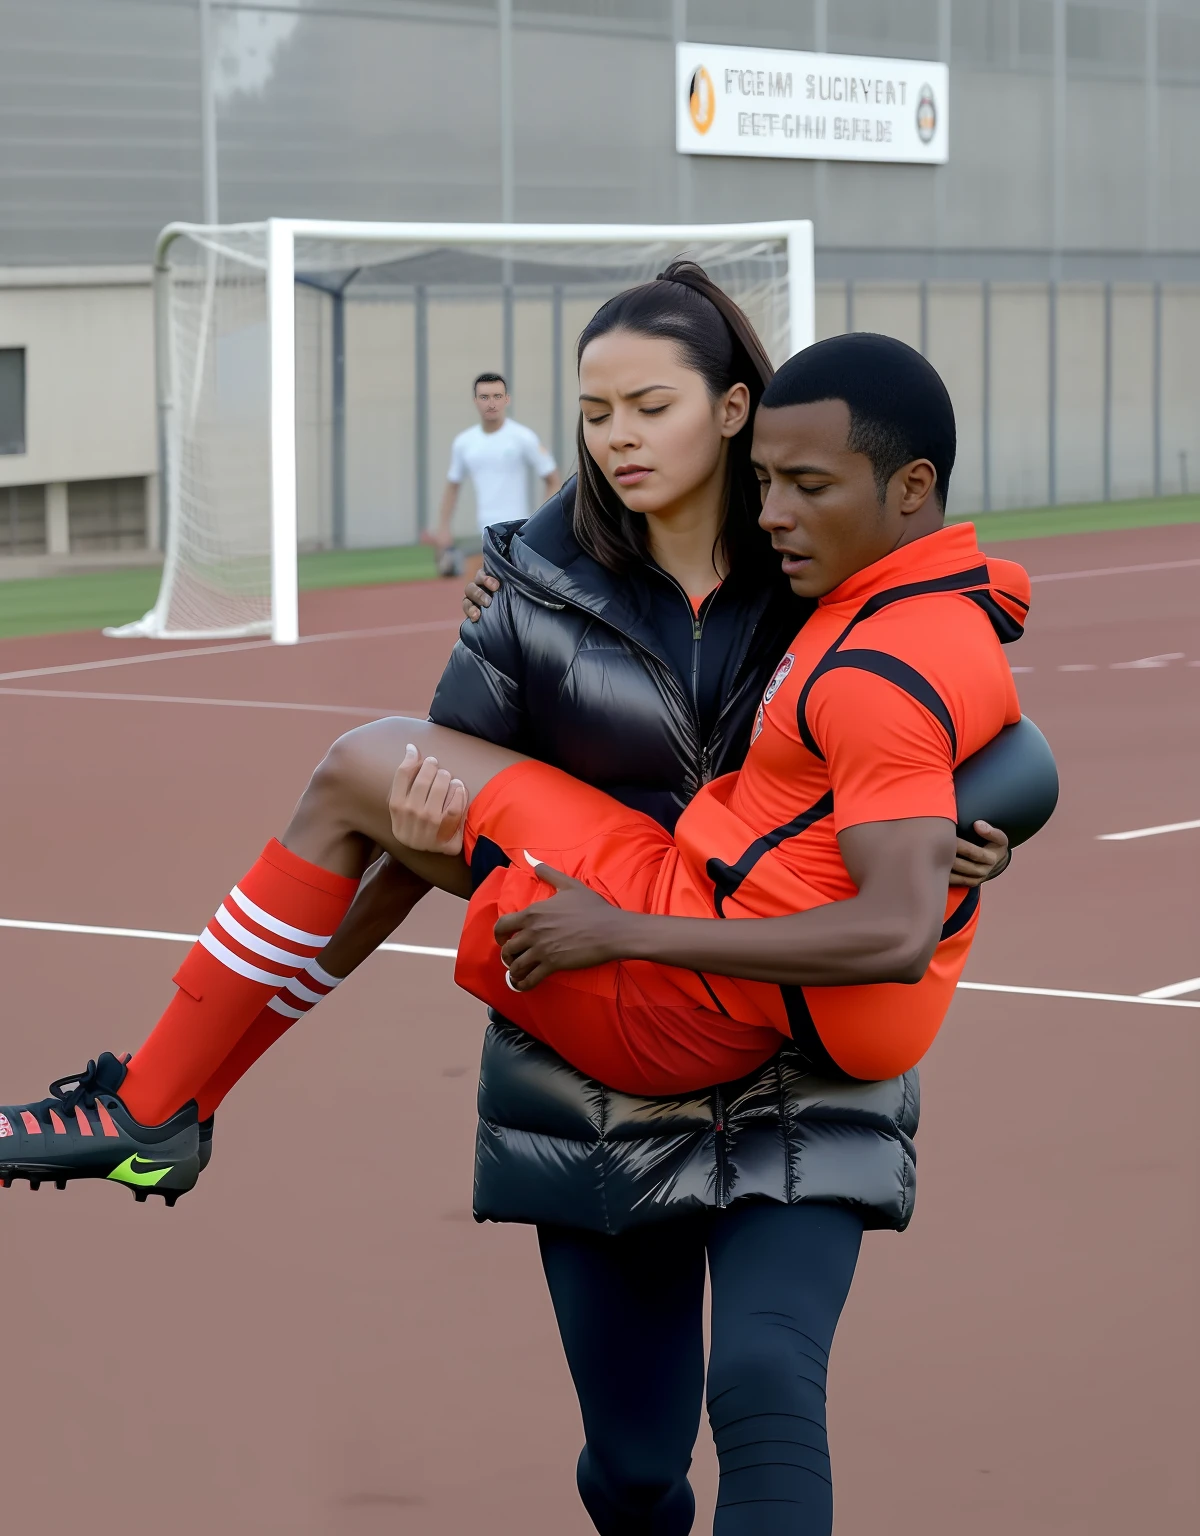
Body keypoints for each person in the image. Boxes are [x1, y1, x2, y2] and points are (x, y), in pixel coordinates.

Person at [0, 273, 1044, 1536]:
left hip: (798, 1061)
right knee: (634, 1464)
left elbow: (971, 737)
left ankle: (154, 1102)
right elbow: (424, 840)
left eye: (647, 405)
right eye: (594, 409)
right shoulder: (532, 588)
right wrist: (454, 855)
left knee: (771, 1391)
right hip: (599, 1066)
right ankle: (167, 1101)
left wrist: (973, 831)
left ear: (732, 409)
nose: (614, 436)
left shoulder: (823, 559)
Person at [427, 371, 559, 576]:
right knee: (483, 601)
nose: (491, 403)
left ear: (507, 399)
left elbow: (552, 479)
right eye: (484, 397)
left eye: (497, 396)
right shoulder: (464, 443)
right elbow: (452, 486)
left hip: (520, 535)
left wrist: (539, 524)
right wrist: (443, 528)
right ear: (475, 401)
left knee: (521, 599)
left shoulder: (523, 437)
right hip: (485, 535)